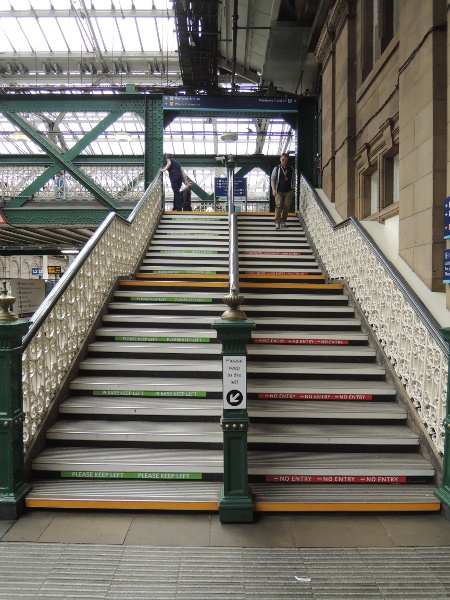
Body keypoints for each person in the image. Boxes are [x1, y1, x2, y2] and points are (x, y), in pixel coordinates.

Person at [271, 152, 295, 229]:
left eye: (286, 160)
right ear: (280, 160)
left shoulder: (290, 169)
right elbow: (273, 180)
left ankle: (283, 221)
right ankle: (277, 221)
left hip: (288, 191)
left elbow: (293, 179)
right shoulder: (277, 169)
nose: (284, 162)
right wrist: (274, 190)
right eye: (283, 160)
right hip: (279, 191)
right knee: (278, 205)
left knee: (287, 206)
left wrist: (293, 189)